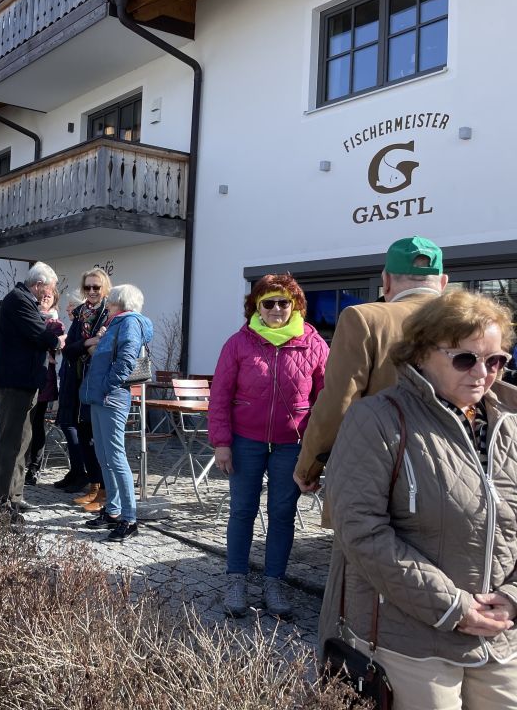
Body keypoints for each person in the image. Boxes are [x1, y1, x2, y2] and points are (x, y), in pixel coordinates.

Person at [319, 290, 517, 710]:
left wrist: (514, 596)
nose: (483, 373)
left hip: (499, 639)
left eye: (496, 360)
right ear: (423, 353)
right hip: (408, 640)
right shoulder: (378, 419)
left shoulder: (510, 427)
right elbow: (360, 530)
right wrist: (452, 606)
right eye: (465, 359)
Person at [209, 274, 328, 618]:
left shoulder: (314, 344)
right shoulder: (238, 343)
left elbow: (326, 399)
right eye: (269, 303)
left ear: (295, 306)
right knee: (242, 511)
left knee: (282, 514)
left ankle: (274, 583)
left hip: (292, 444)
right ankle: (236, 579)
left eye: (283, 303)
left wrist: (317, 449)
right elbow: (220, 396)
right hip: (246, 441)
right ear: (256, 307)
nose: (277, 309)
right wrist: (221, 442)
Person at [295, 236, 447, 503]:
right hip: (453, 470)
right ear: (443, 282)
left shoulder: (364, 318)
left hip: (379, 470)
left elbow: (338, 403)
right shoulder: (475, 322)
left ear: (385, 281)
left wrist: (308, 467)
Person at [0, 262, 65, 520]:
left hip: (25, 381)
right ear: (39, 284)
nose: (50, 293)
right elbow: (40, 334)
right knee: (10, 442)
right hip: (15, 382)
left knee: (22, 441)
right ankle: (1, 502)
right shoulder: (19, 299)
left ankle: (15, 496)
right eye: (50, 288)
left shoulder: (24, 300)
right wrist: (57, 341)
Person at [79, 284, 153, 543]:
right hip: (101, 396)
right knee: (104, 455)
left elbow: (126, 360)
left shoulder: (129, 322)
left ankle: (129, 519)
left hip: (111, 396)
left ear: (120, 302)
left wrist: (108, 385)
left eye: (110, 299)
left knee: (115, 456)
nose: (106, 302)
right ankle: (113, 511)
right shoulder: (116, 323)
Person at [56, 269, 112, 509]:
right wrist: (89, 342)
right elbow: (68, 349)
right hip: (77, 381)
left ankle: (104, 491)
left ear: (105, 288)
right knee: (83, 433)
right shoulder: (80, 314)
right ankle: (94, 486)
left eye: (96, 287)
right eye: (87, 287)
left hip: (98, 382)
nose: (91, 291)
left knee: (97, 438)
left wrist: (88, 346)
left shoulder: (109, 314)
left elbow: (106, 349)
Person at [24, 288, 61, 485]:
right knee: (23, 422)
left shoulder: (56, 324)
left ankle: (34, 467)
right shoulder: (28, 316)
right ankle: (20, 463)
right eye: (43, 294)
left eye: (49, 295)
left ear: (54, 300)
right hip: (25, 376)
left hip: (44, 378)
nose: (45, 297)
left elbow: (56, 347)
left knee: (37, 422)